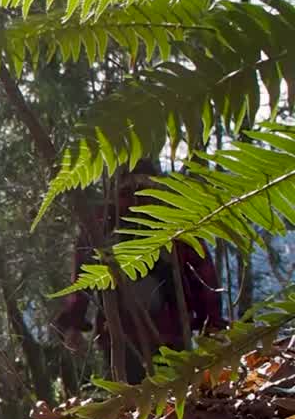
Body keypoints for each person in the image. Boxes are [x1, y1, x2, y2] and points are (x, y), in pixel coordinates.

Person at [53, 159, 226, 384]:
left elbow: (82, 280)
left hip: (134, 335)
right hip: (149, 333)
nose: (138, 194)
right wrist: (212, 323)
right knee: (171, 399)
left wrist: (73, 324)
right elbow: (203, 275)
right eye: (130, 189)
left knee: (137, 403)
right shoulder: (170, 216)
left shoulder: (103, 221)